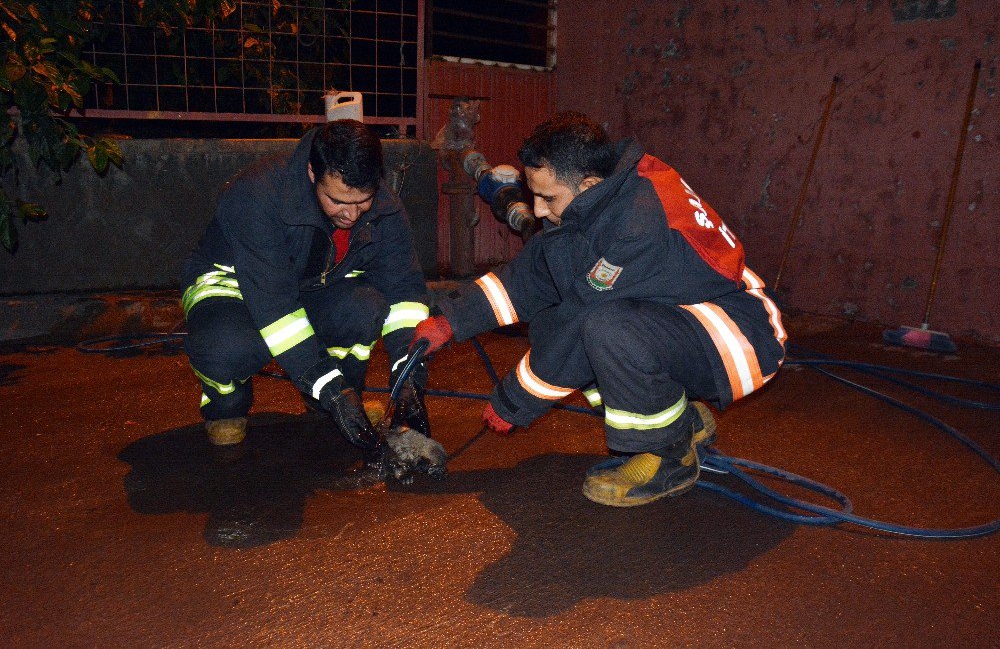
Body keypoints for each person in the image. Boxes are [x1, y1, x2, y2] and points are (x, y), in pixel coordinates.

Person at [413, 111, 786, 507]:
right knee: (577, 320)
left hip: (741, 334)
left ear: (587, 184)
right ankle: (682, 421)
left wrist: (514, 400)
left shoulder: (636, 224)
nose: (537, 211)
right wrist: (452, 320)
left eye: (547, 197)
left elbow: (578, 318)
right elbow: (533, 276)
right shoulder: (603, 197)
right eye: (532, 195)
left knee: (605, 329)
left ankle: (668, 456)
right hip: (688, 324)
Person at [181, 120, 433, 465]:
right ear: (313, 173)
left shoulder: (384, 207)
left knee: (364, 307)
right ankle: (226, 404)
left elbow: (404, 292)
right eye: (338, 201)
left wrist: (409, 374)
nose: (352, 214)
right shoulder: (255, 195)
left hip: (311, 285)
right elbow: (277, 309)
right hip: (234, 287)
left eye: (363, 201)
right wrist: (333, 391)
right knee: (227, 346)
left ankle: (337, 402)